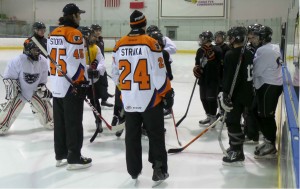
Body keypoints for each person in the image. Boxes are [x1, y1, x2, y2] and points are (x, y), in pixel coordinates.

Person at [111, 10, 173, 183]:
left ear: (131, 25)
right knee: (156, 135)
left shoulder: (119, 45)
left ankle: (133, 170)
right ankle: (159, 169)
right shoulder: (151, 43)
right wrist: (167, 93)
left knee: (131, 136)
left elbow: (114, 73)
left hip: (129, 100)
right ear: (144, 24)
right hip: (151, 100)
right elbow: (159, 73)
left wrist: (126, 90)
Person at [48, 3, 92, 170]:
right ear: (73, 16)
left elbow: (50, 61)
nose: (80, 17)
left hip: (57, 83)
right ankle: (74, 156)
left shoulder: (54, 33)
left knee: (60, 122)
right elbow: (75, 62)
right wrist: (79, 82)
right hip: (71, 85)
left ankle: (61, 155)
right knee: (73, 122)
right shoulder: (74, 34)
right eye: (78, 15)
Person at [218, 26, 254, 166]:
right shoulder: (249, 52)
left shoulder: (231, 54)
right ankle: (236, 147)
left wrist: (225, 94)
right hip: (247, 93)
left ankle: (237, 151)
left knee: (232, 122)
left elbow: (228, 78)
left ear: (236, 38)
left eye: (231, 37)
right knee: (238, 122)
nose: (229, 39)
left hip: (235, 95)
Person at [0, 39, 53, 134]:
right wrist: (12, 86)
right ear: (27, 50)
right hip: (20, 92)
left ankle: (39, 111)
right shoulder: (18, 60)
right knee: (2, 127)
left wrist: (42, 87)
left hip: (35, 91)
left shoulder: (43, 61)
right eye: (34, 50)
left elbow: (42, 80)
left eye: (38, 50)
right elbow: (9, 77)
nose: (37, 53)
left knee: (51, 123)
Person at [252, 25, 283, 159]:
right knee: (261, 113)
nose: (253, 39)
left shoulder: (263, 50)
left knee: (266, 115)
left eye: (256, 37)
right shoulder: (274, 47)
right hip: (271, 84)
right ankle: (268, 140)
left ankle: (270, 144)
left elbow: (256, 71)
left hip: (268, 85)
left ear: (263, 37)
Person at [193, 31, 222, 125]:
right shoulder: (200, 50)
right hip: (203, 79)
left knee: (211, 99)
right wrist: (196, 69)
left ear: (207, 39)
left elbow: (221, 65)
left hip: (213, 79)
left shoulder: (217, 49)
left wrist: (213, 61)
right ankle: (208, 116)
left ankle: (213, 117)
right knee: (203, 98)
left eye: (202, 38)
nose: (200, 40)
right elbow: (197, 64)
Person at [81, 26, 106, 134]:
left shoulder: (95, 48)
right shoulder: (77, 49)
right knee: (77, 104)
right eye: (92, 36)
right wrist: (88, 68)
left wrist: (98, 70)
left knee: (95, 102)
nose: (94, 38)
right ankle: (76, 123)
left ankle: (98, 121)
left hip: (92, 81)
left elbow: (102, 62)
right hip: (80, 82)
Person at [90, 24, 114, 108]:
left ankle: (104, 98)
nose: (98, 32)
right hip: (94, 66)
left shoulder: (100, 40)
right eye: (96, 30)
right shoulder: (91, 41)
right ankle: (96, 99)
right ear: (92, 31)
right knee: (95, 84)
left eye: (99, 30)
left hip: (101, 65)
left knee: (104, 82)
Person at [214, 30, 230, 118]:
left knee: (222, 94)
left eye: (219, 37)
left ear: (223, 38)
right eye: (216, 37)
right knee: (216, 95)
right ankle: (220, 111)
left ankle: (224, 112)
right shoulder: (214, 47)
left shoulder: (226, 48)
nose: (217, 39)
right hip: (216, 76)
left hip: (223, 76)